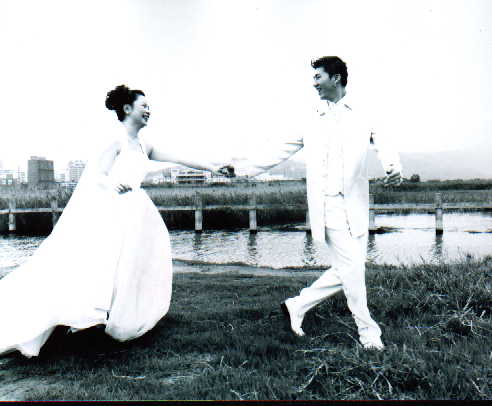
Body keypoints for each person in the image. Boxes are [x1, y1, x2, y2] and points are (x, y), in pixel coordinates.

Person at [0, 84, 233, 358]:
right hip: (112, 210)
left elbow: (180, 158)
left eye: (149, 107)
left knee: (131, 265)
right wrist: (113, 183)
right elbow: (96, 174)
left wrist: (213, 167)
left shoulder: (144, 144)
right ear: (127, 108)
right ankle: (86, 320)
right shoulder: (115, 140)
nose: (149, 111)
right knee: (103, 265)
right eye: (144, 106)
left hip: (137, 211)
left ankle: (118, 317)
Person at [233, 56, 402, 350]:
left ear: (336, 78)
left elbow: (383, 141)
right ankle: (369, 334)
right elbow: (278, 151)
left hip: (356, 205)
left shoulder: (364, 113)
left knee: (350, 267)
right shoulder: (310, 118)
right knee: (352, 269)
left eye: (318, 77)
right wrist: (241, 169)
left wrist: (392, 166)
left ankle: (297, 305)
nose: (314, 84)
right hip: (327, 206)